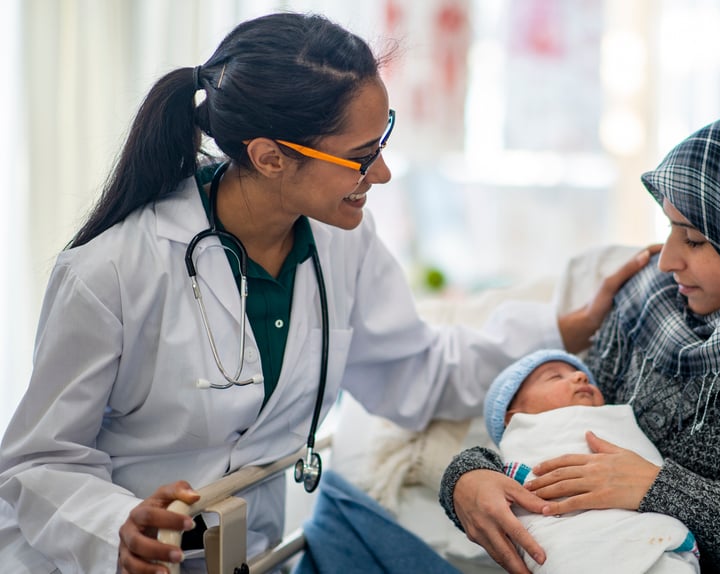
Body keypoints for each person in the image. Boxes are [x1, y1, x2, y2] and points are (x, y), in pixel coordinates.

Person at [0, 12, 656, 574]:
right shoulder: (111, 271)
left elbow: (416, 372)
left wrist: (563, 333)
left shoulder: (342, 244)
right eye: (361, 155)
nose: (385, 172)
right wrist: (117, 527)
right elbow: (38, 461)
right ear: (270, 157)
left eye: (385, 138)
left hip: (249, 553)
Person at [440, 108, 720, 574]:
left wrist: (659, 489)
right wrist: (467, 476)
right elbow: (558, 418)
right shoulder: (646, 306)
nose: (667, 261)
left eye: (696, 239)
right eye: (669, 227)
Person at [483, 348, 700, 574]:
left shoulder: (619, 421)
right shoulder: (524, 442)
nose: (580, 376)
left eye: (578, 373)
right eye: (555, 376)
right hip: (574, 546)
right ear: (510, 416)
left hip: (652, 537)